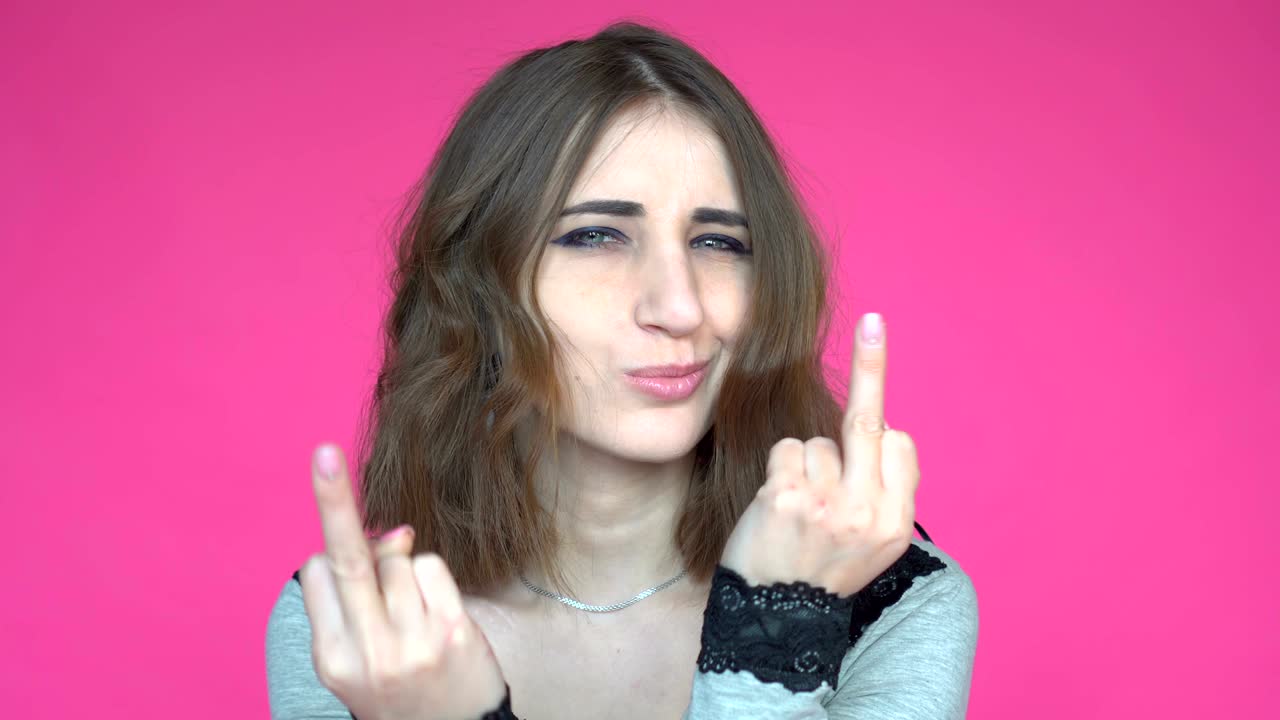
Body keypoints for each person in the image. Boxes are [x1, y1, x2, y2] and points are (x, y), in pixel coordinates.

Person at [265, 20, 978, 720]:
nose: (679, 306)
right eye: (597, 235)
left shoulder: (897, 605)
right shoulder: (358, 631)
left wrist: (773, 628)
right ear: (476, 284)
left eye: (718, 241)